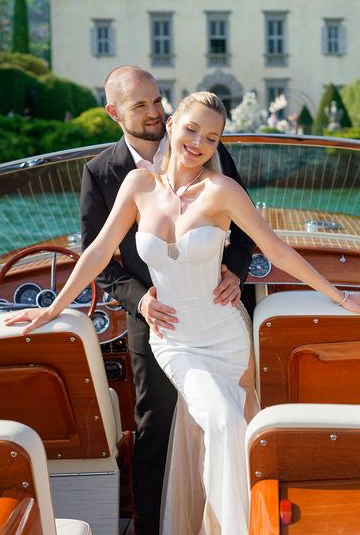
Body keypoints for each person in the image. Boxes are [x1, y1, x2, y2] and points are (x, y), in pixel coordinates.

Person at [5, 91, 360, 534]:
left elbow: (278, 251)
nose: (199, 143)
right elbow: (97, 253)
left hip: (226, 338)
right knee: (224, 423)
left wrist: (342, 298)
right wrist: (53, 306)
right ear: (170, 125)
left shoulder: (222, 191)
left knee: (226, 429)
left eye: (211, 137)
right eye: (191, 129)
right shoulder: (137, 185)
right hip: (175, 342)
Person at [78, 66, 254, 535]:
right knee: (155, 432)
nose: (154, 112)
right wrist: (141, 301)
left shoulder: (207, 147)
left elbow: (245, 232)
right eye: (141, 105)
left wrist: (233, 273)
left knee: (224, 423)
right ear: (114, 112)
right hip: (154, 323)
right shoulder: (101, 174)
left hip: (217, 315)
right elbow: (99, 257)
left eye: (158, 101)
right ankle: (154, 526)